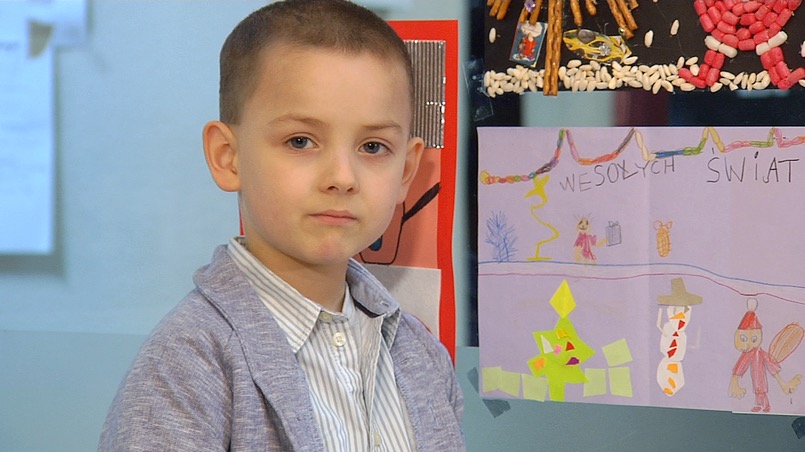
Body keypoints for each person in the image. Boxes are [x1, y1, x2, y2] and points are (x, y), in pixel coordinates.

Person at [98, 1, 464, 450]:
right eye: (301, 141)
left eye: (373, 147)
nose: (342, 177)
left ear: (406, 170)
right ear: (228, 157)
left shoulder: (422, 356)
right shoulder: (188, 363)